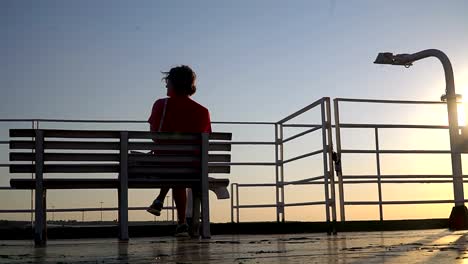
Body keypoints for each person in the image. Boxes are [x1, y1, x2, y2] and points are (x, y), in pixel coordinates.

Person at [146, 65, 212, 237]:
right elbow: (205, 141)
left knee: (172, 164)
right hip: (192, 168)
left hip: (163, 167)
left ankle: (164, 203)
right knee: (179, 168)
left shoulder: (161, 105)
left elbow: (154, 136)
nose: (166, 85)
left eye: (167, 82)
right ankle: (181, 223)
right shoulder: (203, 111)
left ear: (174, 83)